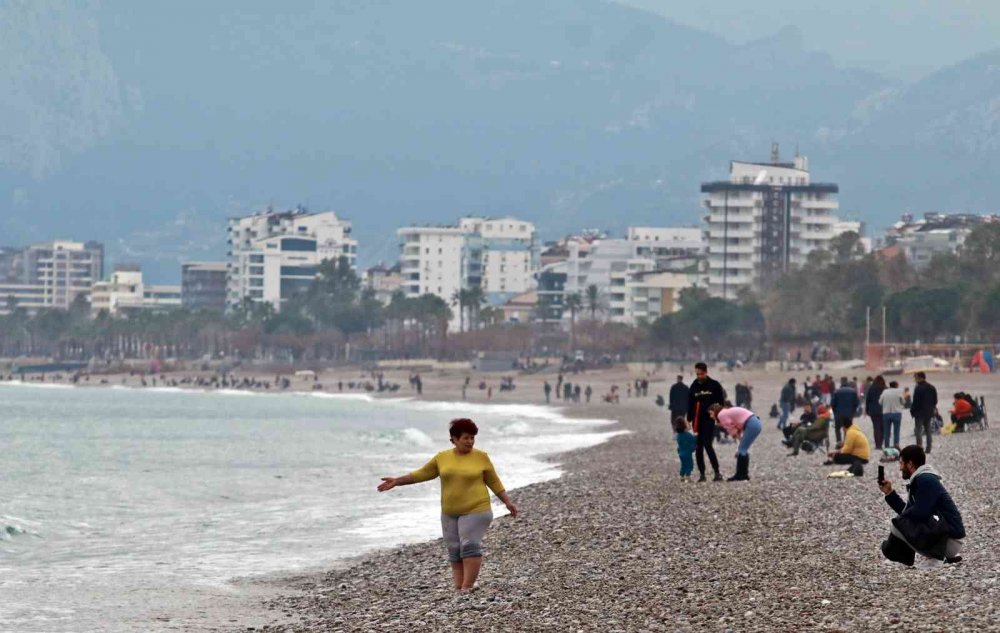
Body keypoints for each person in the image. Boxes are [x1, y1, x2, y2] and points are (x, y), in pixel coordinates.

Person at [377, 418, 518, 592]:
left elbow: (494, 481)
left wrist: (507, 502)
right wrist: (397, 481)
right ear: (454, 439)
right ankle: (459, 587)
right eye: (466, 438)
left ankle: (467, 586)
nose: (470, 441)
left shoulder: (481, 457)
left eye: (472, 438)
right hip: (450, 512)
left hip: (477, 509)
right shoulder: (442, 458)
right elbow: (422, 474)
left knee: (469, 545)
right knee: (454, 549)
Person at [879, 445, 965, 567]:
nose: (900, 468)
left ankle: (935, 558)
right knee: (902, 521)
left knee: (899, 523)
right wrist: (890, 493)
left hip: (950, 541)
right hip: (946, 537)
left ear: (910, 464)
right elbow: (909, 511)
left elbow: (920, 513)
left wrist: (903, 519)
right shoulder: (922, 478)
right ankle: (899, 558)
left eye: (901, 463)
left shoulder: (925, 480)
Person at [687, 362, 726, 482]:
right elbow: (690, 404)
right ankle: (702, 474)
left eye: (701, 374)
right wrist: (688, 420)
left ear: (706, 372)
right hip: (697, 421)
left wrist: (719, 416)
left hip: (710, 419)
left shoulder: (714, 385)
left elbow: (721, 403)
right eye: (697, 374)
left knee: (707, 444)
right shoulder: (693, 386)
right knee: (698, 447)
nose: (699, 376)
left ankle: (717, 472)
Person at [710, 403, 762, 481]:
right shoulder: (726, 412)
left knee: (742, 450)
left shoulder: (721, 415)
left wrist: (737, 437)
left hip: (751, 424)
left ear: (715, 411)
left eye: (711, 413)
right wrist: (739, 439)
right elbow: (737, 426)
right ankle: (743, 474)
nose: (711, 416)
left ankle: (740, 475)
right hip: (754, 422)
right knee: (743, 449)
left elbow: (731, 428)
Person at [910, 372, 938, 454]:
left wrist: (912, 411)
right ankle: (929, 448)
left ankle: (919, 448)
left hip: (919, 413)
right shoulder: (932, 387)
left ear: (920, 378)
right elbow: (935, 400)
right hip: (929, 412)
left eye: (916, 378)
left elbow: (915, 402)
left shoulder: (918, 388)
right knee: (928, 430)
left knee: (918, 430)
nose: (915, 379)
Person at [831, 377, 860, 444]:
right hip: (849, 414)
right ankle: (847, 441)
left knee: (837, 428)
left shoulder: (837, 391)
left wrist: (835, 412)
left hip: (839, 413)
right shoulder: (853, 391)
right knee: (848, 428)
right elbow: (856, 403)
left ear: (841, 382)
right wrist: (853, 412)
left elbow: (832, 404)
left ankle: (839, 442)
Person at [879, 380, 905, 450]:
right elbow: (903, 402)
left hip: (886, 413)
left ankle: (887, 447)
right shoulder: (899, 391)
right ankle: (896, 445)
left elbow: (880, 402)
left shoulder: (885, 392)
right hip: (897, 413)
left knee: (886, 432)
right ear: (896, 385)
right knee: (896, 431)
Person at [865, 375, 887, 450]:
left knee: (876, 427)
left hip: (873, 411)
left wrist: (867, 410)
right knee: (883, 427)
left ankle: (878, 445)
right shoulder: (885, 388)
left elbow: (868, 400)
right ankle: (881, 442)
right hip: (883, 410)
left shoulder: (871, 388)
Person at [673, 417, 697, 482]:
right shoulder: (687, 434)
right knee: (689, 464)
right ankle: (688, 476)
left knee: (683, 465)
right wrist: (696, 436)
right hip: (687, 453)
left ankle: (682, 476)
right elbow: (693, 440)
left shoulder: (678, 435)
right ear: (684, 426)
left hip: (681, 452)